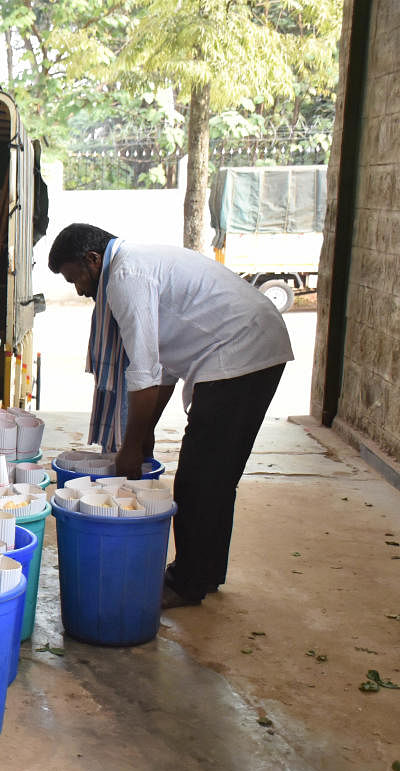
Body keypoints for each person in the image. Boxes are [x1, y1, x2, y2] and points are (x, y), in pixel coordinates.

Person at [47, 222, 293, 608]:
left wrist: (131, 448)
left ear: (93, 260)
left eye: (74, 277)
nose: (78, 289)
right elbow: (163, 367)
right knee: (216, 475)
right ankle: (206, 573)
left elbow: (143, 369)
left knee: (198, 478)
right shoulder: (136, 262)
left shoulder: (125, 276)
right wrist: (144, 432)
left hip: (239, 352)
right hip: (254, 345)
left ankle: (185, 582)